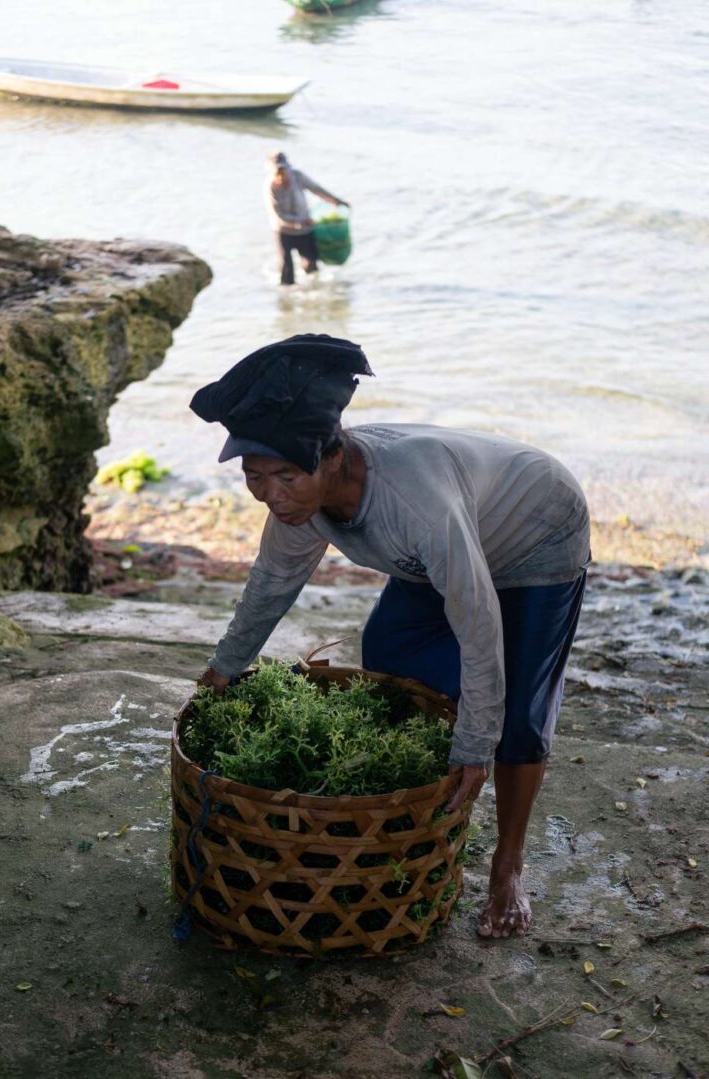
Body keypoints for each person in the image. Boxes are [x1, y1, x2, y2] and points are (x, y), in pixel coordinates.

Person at [189, 334, 590, 940]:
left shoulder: (415, 502)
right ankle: (463, 745)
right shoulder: (300, 504)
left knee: (517, 721)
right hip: (449, 542)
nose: (271, 494)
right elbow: (271, 584)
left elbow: (476, 624)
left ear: (334, 459)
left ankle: (507, 867)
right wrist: (225, 668)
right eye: (255, 476)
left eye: (286, 476)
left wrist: (477, 742)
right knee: (388, 653)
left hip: (537, 530)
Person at [266, 151, 349, 286]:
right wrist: (299, 222)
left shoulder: (297, 176)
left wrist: (337, 201)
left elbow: (316, 189)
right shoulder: (270, 187)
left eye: (284, 170)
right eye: (278, 172)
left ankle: (312, 296)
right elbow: (278, 216)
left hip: (304, 230)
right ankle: (287, 301)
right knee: (287, 270)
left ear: (288, 168)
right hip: (283, 232)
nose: (281, 175)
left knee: (311, 265)